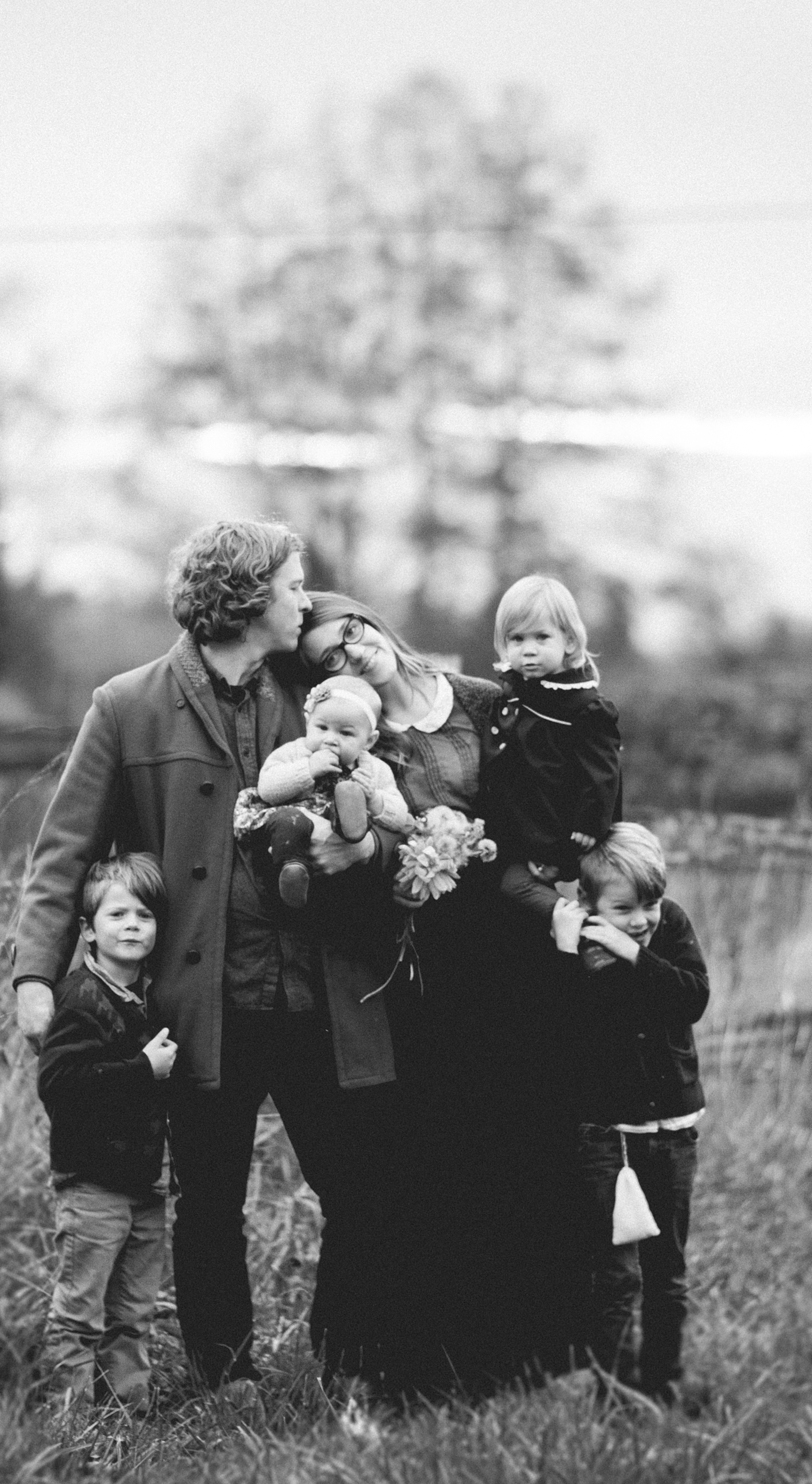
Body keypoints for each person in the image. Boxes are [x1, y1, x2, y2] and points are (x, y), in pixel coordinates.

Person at [13, 520, 400, 1397]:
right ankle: (226, 1374)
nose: (305, 601)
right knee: (210, 1201)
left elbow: (385, 798)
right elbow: (62, 853)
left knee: (360, 1187)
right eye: (292, 585)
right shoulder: (127, 705)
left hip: (319, 993)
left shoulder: (316, 694)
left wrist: (365, 849)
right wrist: (35, 976)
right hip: (201, 1003)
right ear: (248, 597)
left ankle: (350, 1364)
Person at [298, 592, 579, 1395]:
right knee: (444, 1150)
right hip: (428, 960)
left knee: (524, 1140)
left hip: (516, 945)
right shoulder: (361, 742)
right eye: (329, 659)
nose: (352, 653)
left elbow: (549, 786)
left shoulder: (483, 702)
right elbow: (362, 841)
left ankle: (534, 1350)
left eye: (353, 631)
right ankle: (439, 1357)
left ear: (374, 623)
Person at [550, 823, 712, 1409]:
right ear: (589, 902)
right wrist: (567, 955)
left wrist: (632, 952)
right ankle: (615, 1396)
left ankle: (664, 1379)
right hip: (607, 1136)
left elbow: (691, 997)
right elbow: (564, 1029)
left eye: (651, 902)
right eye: (624, 909)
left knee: (668, 1271)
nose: (642, 918)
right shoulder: (574, 948)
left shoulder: (670, 927)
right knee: (617, 1276)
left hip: (672, 1131)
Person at [36, 853, 180, 1410]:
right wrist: (142, 1070)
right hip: (93, 1181)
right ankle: (70, 1420)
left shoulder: (151, 997)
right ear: (89, 930)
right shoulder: (80, 998)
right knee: (79, 1309)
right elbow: (60, 1084)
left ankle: (127, 1409)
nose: (132, 926)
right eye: (117, 915)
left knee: (134, 1311)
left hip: (145, 1182)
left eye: (144, 915)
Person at [481, 574, 624, 885]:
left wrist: (589, 823)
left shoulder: (583, 706)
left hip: (556, 830)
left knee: (540, 893)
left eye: (541, 637)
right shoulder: (512, 695)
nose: (528, 650)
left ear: (569, 641)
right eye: (517, 639)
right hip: (509, 827)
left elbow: (602, 771)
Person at [235, 673, 413, 909]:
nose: (330, 739)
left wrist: (373, 799)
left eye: (345, 733)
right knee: (289, 822)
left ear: (369, 741)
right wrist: (308, 769)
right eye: (322, 727)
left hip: (341, 855)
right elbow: (267, 789)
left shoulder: (374, 770)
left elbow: (399, 817)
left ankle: (351, 821)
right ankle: (293, 872)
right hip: (295, 826)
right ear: (308, 722)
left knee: (347, 804)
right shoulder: (294, 753)